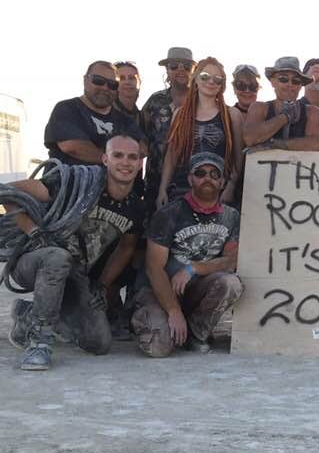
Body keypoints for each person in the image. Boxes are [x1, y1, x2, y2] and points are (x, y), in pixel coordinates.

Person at [3, 134, 145, 370]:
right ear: (105, 159)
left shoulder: (136, 207)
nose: (125, 162)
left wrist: (101, 284)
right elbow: (8, 192)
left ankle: (28, 313)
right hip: (36, 262)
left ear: (140, 163)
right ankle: (39, 343)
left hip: (76, 274)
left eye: (133, 157)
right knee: (58, 257)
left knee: (99, 343)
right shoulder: (73, 183)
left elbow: (126, 247)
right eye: (117, 155)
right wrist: (34, 232)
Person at [132, 152, 243, 357]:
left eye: (214, 174)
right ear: (191, 179)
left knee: (231, 283)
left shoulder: (231, 216)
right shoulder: (169, 214)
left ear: (222, 182)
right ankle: (151, 320)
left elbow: (231, 261)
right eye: (200, 173)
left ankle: (196, 333)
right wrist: (173, 311)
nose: (207, 178)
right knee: (159, 348)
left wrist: (193, 269)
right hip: (159, 291)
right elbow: (154, 269)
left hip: (194, 289)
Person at [157, 58, 244, 208]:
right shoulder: (180, 115)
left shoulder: (232, 115)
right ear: (195, 79)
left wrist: (230, 187)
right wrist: (162, 189)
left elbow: (238, 159)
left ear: (222, 85)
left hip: (217, 190)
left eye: (217, 79)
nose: (211, 82)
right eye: (205, 76)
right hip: (182, 190)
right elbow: (171, 156)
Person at [44, 60, 144, 166]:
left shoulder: (125, 121)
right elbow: (73, 147)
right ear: (85, 80)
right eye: (98, 81)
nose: (105, 88)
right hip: (66, 181)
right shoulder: (66, 109)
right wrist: (116, 160)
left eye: (112, 84)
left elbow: (141, 149)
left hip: (111, 182)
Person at [143, 47, 195, 216]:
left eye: (186, 67)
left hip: (191, 181)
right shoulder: (154, 100)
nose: (180, 70)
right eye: (174, 66)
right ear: (166, 70)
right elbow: (140, 133)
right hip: (154, 180)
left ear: (193, 71)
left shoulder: (202, 101)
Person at [243, 56, 319, 152]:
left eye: (296, 81)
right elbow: (250, 138)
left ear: (300, 86)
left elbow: (315, 144)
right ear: (273, 82)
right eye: (283, 79)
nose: (289, 84)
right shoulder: (259, 108)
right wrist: (285, 117)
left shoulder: (312, 112)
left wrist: (272, 145)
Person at [113, 61, 142, 126]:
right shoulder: (104, 114)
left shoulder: (144, 117)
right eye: (121, 78)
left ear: (139, 82)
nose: (127, 82)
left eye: (132, 78)